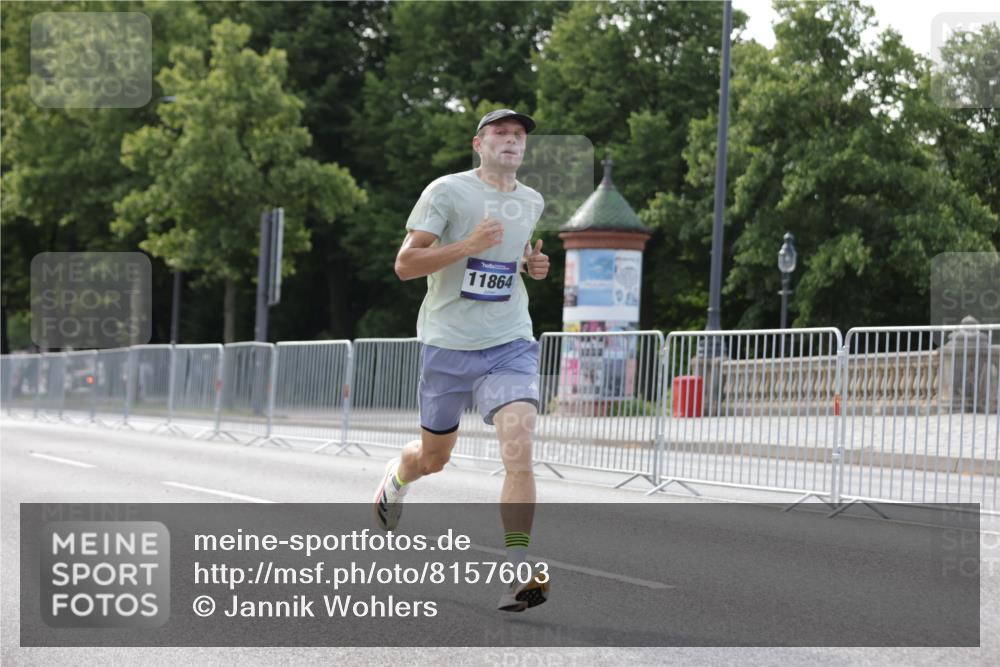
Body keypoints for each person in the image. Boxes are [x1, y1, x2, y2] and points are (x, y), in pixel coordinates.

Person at [373, 109, 551, 612]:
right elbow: (406, 265)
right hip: (447, 344)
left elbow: (508, 263)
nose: (511, 141)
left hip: (509, 340)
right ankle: (397, 476)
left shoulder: (532, 201)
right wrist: (466, 245)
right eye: (501, 133)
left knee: (519, 447)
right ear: (479, 143)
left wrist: (532, 267)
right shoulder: (446, 191)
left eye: (518, 135)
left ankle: (521, 569)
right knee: (434, 459)